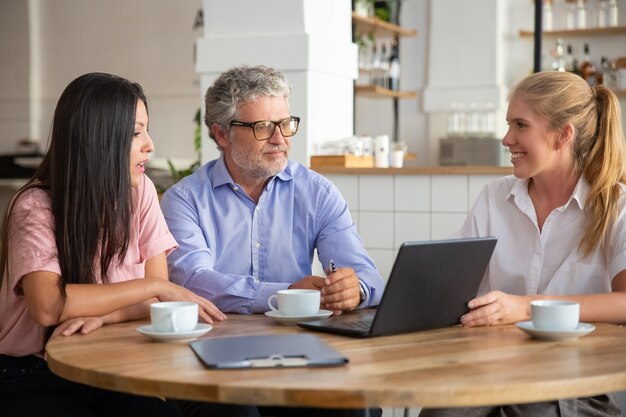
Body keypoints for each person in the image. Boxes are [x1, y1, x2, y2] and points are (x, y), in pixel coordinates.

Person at [160, 65, 384, 417]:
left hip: (299, 353)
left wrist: (354, 289)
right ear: (221, 134)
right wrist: (285, 295)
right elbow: (193, 282)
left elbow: (368, 276)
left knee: (353, 406)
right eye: (264, 127)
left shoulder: (317, 192)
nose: (281, 139)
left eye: (285, 123)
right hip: (210, 355)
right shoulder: (184, 199)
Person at [0, 72, 226, 417]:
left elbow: (154, 301)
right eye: (136, 132)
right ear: (97, 138)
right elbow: (47, 306)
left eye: (146, 129)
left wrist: (107, 315)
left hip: (113, 363)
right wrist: (153, 287)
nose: (150, 144)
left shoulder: (142, 192)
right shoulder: (34, 205)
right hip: (31, 373)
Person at [421, 71, 626, 417]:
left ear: (563, 135)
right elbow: (453, 282)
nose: (506, 139)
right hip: (490, 368)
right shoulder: (494, 198)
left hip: (574, 379)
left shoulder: (615, 206)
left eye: (520, 125)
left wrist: (527, 307)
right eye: (508, 124)